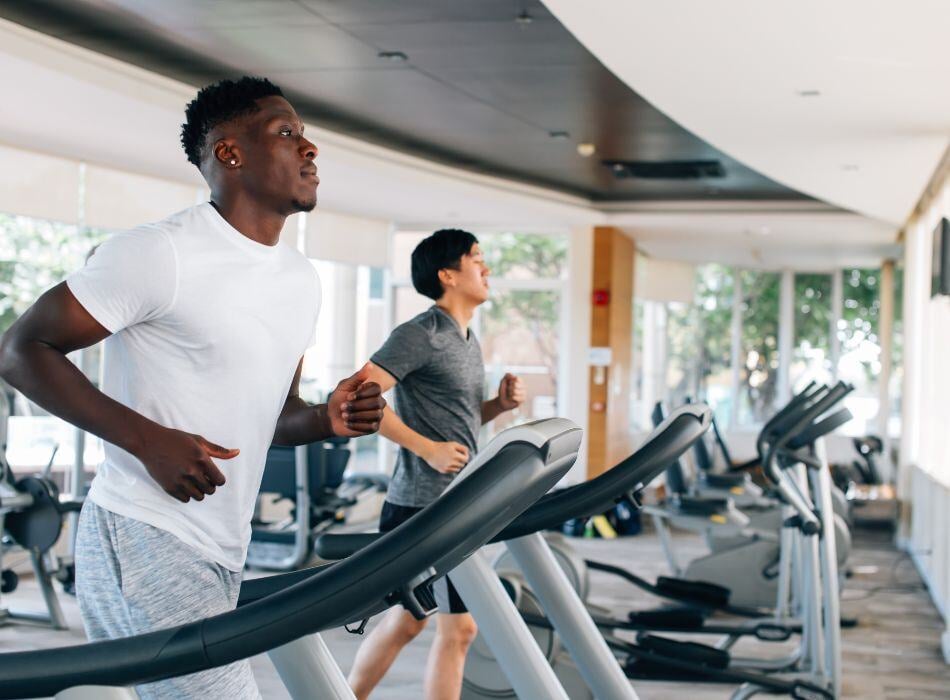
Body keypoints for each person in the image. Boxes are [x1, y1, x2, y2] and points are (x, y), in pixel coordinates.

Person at [0, 76, 386, 699]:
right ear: (229, 152)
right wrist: (149, 441)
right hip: (145, 529)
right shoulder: (158, 254)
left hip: (226, 544)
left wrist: (325, 419)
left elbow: (277, 415)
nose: (310, 149)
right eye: (287, 133)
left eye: (306, 136)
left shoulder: (300, 279)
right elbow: (21, 350)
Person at [347, 228, 526, 700]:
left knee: (422, 624)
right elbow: (356, 396)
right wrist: (425, 447)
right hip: (421, 507)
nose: (486, 269)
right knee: (445, 628)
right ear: (448, 274)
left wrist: (497, 407)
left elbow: (459, 419)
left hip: (457, 502)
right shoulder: (420, 334)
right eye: (476, 259)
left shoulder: (466, 338)